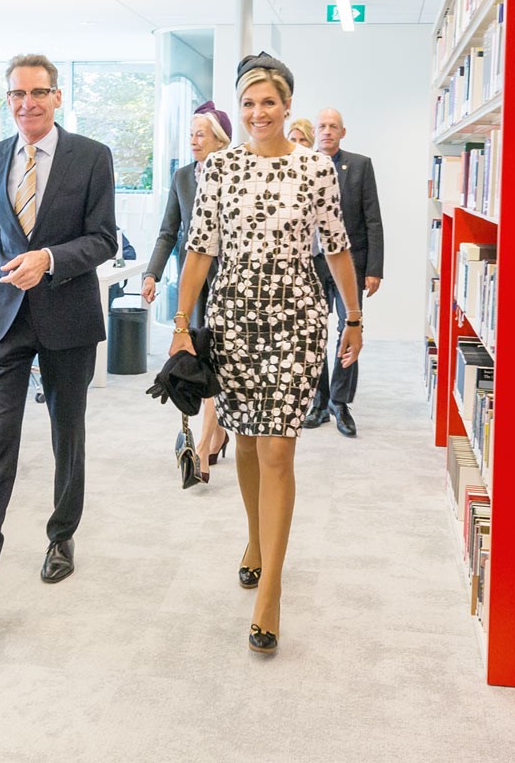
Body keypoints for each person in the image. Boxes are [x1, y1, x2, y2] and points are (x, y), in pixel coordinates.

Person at [171, 52, 362, 654]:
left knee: (279, 446)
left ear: (287, 107)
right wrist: (182, 323)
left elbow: (335, 247)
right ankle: (255, 539)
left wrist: (353, 316)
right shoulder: (218, 169)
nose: (259, 112)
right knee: (248, 440)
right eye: (248, 102)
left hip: (296, 312)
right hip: (232, 312)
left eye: (269, 102)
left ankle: (271, 590)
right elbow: (199, 248)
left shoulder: (316, 169)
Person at [0, 54, 117, 623]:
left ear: (58, 96)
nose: (27, 103)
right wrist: (1, 279)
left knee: (68, 433)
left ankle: (62, 535)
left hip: (68, 316)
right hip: (7, 319)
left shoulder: (92, 157)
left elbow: (103, 241)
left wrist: (47, 259)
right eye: (17, 94)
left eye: (38, 92)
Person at [141, 102, 232, 478]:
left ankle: (209, 447)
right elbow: (168, 230)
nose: (193, 141)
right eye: (191, 134)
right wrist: (152, 274)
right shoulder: (182, 178)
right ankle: (215, 434)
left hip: (229, 283)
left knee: (222, 360)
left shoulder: (234, 175)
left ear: (219, 140)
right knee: (202, 358)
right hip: (195, 285)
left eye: (201, 134)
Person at [303, 108, 383, 437]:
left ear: (342, 132)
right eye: (321, 126)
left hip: (351, 263)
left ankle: (341, 401)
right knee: (314, 333)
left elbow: (373, 218)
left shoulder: (359, 166)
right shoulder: (303, 165)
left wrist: (375, 268)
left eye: (332, 126)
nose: (326, 131)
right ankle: (319, 400)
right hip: (313, 264)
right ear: (315, 131)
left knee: (349, 329)